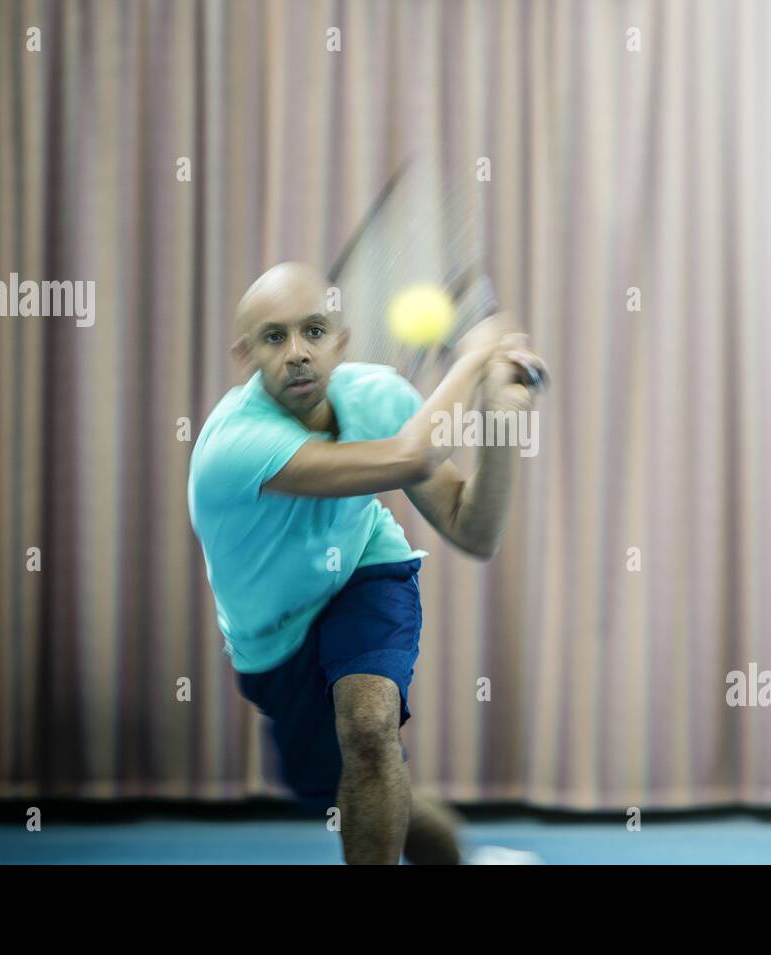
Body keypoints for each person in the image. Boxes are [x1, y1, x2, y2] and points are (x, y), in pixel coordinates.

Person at [187, 262, 549, 864]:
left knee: (368, 725)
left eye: (314, 331)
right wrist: (473, 356)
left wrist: (500, 418)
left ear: (341, 341)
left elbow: (472, 528)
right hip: (272, 644)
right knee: (353, 774)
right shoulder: (234, 444)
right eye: (275, 338)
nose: (298, 353)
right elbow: (412, 457)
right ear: (245, 354)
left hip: (363, 571)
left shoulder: (376, 395)